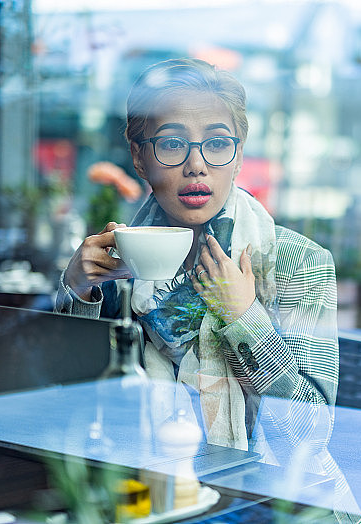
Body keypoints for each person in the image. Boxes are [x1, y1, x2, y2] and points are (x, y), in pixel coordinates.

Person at [55, 57, 340, 454]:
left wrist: (244, 318)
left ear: (239, 156)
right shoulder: (119, 259)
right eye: (172, 144)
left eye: (218, 143)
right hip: (147, 490)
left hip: (269, 504)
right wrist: (78, 292)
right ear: (139, 157)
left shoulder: (298, 262)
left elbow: (310, 435)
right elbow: (71, 408)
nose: (197, 165)